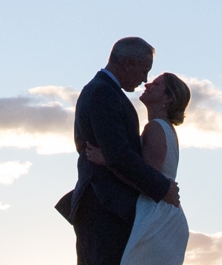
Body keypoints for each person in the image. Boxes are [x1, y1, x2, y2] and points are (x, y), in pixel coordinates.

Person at [56, 38, 183, 265]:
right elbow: (119, 154)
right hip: (105, 206)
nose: (144, 80)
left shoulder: (106, 92)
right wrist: (162, 187)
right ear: (128, 64)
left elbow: (118, 155)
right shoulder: (103, 93)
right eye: (144, 71)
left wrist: (108, 158)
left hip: (110, 208)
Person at [85, 71, 191, 265]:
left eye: (156, 85)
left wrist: (107, 159)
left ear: (168, 98)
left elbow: (145, 178)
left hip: (156, 216)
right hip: (164, 214)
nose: (148, 85)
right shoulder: (164, 128)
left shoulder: (155, 128)